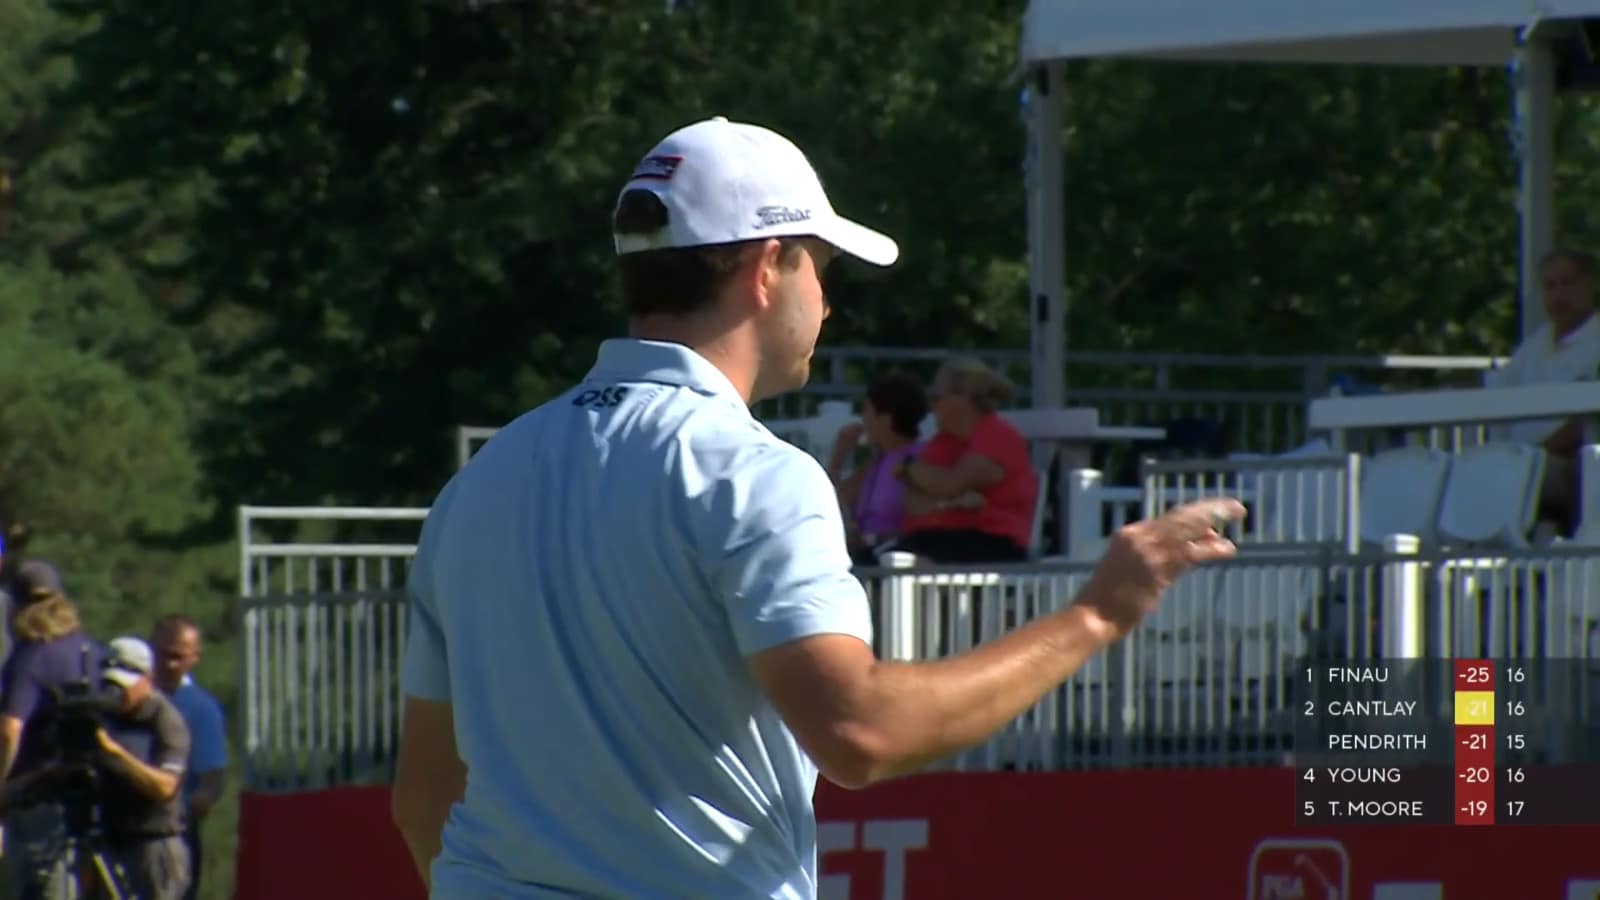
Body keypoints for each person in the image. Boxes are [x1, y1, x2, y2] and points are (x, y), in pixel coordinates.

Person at [390, 115, 1244, 899]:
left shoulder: (477, 485)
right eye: (822, 268)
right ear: (769, 268)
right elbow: (859, 732)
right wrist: (1097, 615)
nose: (828, 303)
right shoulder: (752, 472)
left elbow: (423, 799)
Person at [1483, 246, 1600, 534]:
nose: (1558, 295)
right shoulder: (1535, 346)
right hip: (1521, 462)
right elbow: (1494, 394)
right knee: (1463, 473)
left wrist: (1532, 456)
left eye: (1567, 284)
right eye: (1550, 286)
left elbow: (1582, 426)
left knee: (1501, 478)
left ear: (1590, 285)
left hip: (1573, 465)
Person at [892, 357, 1040, 563]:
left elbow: (949, 483)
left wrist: (910, 469)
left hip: (991, 544)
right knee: (874, 561)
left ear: (962, 398)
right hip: (933, 540)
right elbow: (910, 502)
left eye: (937, 397)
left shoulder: (998, 437)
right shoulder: (943, 442)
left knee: (907, 563)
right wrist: (951, 503)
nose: (932, 406)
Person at [90, 636, 192, 900]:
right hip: (112, 839)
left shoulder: (165, 720)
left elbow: (165, 787)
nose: (117, 693)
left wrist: (114, 754)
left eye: (123, 685)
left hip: (154, 845)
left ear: (147, 679)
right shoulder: (104, 716)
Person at [150, 614, 228, 900]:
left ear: (194, 657)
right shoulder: (135, 698)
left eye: (178, 656)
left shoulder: (201, 708)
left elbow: (213, 776)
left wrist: (202, 798)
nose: (169, 664)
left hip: (175, 832)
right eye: (162, 654)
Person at [825, 372, 929, 565]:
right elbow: (834, 501)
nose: (863, 419)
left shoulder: (920, 459)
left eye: (867, 411)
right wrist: (839, 456)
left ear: (885, 419)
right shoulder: (877, 464)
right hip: (867, 555)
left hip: (895, 557)